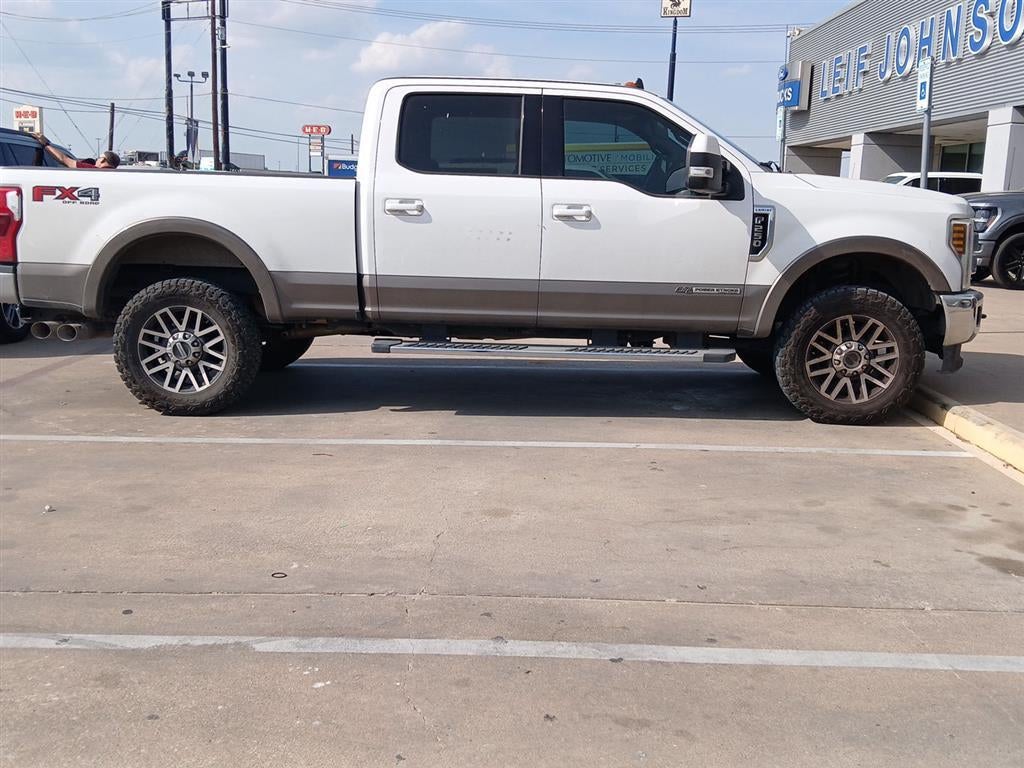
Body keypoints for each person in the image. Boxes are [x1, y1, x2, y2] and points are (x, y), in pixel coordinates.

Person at [31, 132, 120, 169]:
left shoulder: (93, 170)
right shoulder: (118, 176)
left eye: (98, 158)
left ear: (103, 160)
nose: (96, 161)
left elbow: (63, 159)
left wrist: (45, 144)